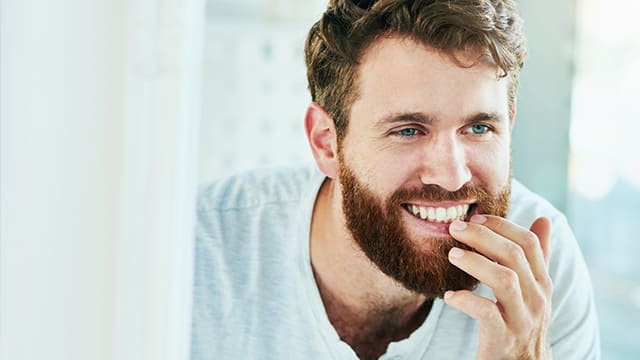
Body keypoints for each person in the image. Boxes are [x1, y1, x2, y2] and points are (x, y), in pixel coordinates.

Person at [191, 0, 600, 359]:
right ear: (326, 143)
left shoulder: (537, 266)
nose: (453, 175)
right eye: (408, 130)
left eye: (478, 128)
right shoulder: (197, 253)